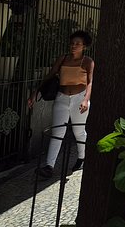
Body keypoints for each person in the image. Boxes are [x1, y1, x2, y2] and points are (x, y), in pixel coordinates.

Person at [28, 30, 94, 178]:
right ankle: (49, 166)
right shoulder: (63, 59)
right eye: (72, 43)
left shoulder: (88, 61)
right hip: (62, 98)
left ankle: (82, 158)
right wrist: (35, 92)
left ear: (84, 46)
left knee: (79, 131)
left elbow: (90, 83)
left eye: (77, 44)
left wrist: (85, 99)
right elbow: (50, 75)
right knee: (57, 131)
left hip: (79, 98)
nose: (74, 46)